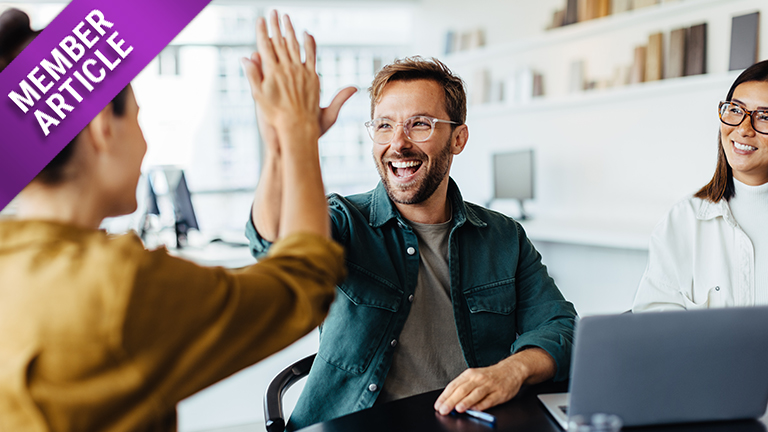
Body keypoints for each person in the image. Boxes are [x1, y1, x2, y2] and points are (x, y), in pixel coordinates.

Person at [0, 9, 345, 431]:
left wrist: (279, 147)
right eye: (140, 117)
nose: (146, 144)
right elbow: (303, 282)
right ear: (102, 126)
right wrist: (298, 130)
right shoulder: (118, 285)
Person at [246, 28, 578, 430]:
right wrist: (284, 144)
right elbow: (273, 244)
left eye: (419, 124)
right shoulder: (344, 221)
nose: (398, 144)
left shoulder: (504, 237)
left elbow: (562, 328)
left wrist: (513, 370)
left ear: (458, 138)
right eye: (384, 126)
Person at [633, 59, 768, 312]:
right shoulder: (683, 220)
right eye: (736, 110)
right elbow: (655, 324)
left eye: (765, 116)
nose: (743, 128)